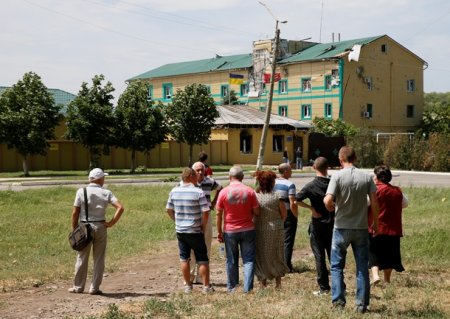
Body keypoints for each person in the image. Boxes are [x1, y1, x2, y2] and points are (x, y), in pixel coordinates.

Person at [324, 146, 379, 313]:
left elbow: (328, 200)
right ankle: (361, 304)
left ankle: (338, 302)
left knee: (336, 266)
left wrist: (331, 207)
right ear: (355, 158)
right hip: (361, 227)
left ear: (340, 159)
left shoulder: (337, 176)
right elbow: (375, 201)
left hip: (341, 227)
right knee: (362, 266)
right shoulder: (366, 176)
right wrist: (375, 222)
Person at [68, 168, 124, 295]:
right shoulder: (106, 193)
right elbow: (120, 207)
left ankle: (78, 287)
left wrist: (74, 230)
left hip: (84, 227)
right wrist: (111, 223)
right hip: (100, 226)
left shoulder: (81, 192)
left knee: (82, 257)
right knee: (99, 258)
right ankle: (94, 288)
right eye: (103, 177)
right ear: (99, 179)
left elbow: (75, 212)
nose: (104, 179)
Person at [166, 168, 213, 294]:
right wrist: (203, 225)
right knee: (202, 258)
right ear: (191, 176)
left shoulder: (174, 191)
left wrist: (176, 221)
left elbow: (169, 209)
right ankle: (206, 287)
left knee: (184, 258)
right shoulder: (198, 192)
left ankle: (188, 286)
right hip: (195, 229)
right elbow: (206, 210)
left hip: (181, 231)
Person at [216, 166, 260, 293]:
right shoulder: (250, 191)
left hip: (230, 231)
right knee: (249, 259)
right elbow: (257, 211)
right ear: (242, 177)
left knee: (231, 259)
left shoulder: (223, 192)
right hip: (248, 229)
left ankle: (232, 287)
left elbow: (219, 214)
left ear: (229, 177)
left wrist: (219, 231)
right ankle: (247, 289)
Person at [296, 157, 334, 296]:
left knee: (319, 256)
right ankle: (339, 285)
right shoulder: (333, 184)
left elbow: (296, 199)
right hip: (333, 224)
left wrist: (311, 208)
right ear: (327, 167)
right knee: (333, 256)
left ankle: (324, 288)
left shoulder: (310, 185)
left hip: (317, 224)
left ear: (314, 167)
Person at [369, 165, 408, 286]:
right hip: (393, 228)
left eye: (374, 175)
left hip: (376, 226)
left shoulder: (374, 190)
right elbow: (405, 203)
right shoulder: (397, 190)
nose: (373, 177)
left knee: (373, 252)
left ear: (378, 177)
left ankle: (375, 276)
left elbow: (366, 203)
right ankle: (387, 279)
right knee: (390, 255)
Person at [254, 170, 289, 289]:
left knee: (261, 254)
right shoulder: (277, 195)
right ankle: (278, 283)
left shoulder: (256, 196)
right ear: (271, 182)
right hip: (276, 228)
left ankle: (263, 283)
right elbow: (284, 214)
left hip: (260, 228)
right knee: (277, 254)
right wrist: (279, 223)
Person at [189, 161, 222, 284]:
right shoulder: (189, 182)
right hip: (193, 217)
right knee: (191, 247)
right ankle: (190, 276)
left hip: (206, 216)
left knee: (206, 246)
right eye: (197, 170)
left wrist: (214, 203)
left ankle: (201, 276)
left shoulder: (210, 181)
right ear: (193, 171)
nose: (200, 172)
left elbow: (220, 189)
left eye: (202, 170)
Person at [274, 163, 298, 272]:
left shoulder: (273, 183)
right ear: (285, 172)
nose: (291, 172)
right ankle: (286, 266)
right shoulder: (290, 184)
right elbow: (292, 203)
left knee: (277, 239)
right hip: (288, 214)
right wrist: (295, 215)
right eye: (290, 170)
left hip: (275, 214)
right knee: (288, 240)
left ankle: (276, 263)